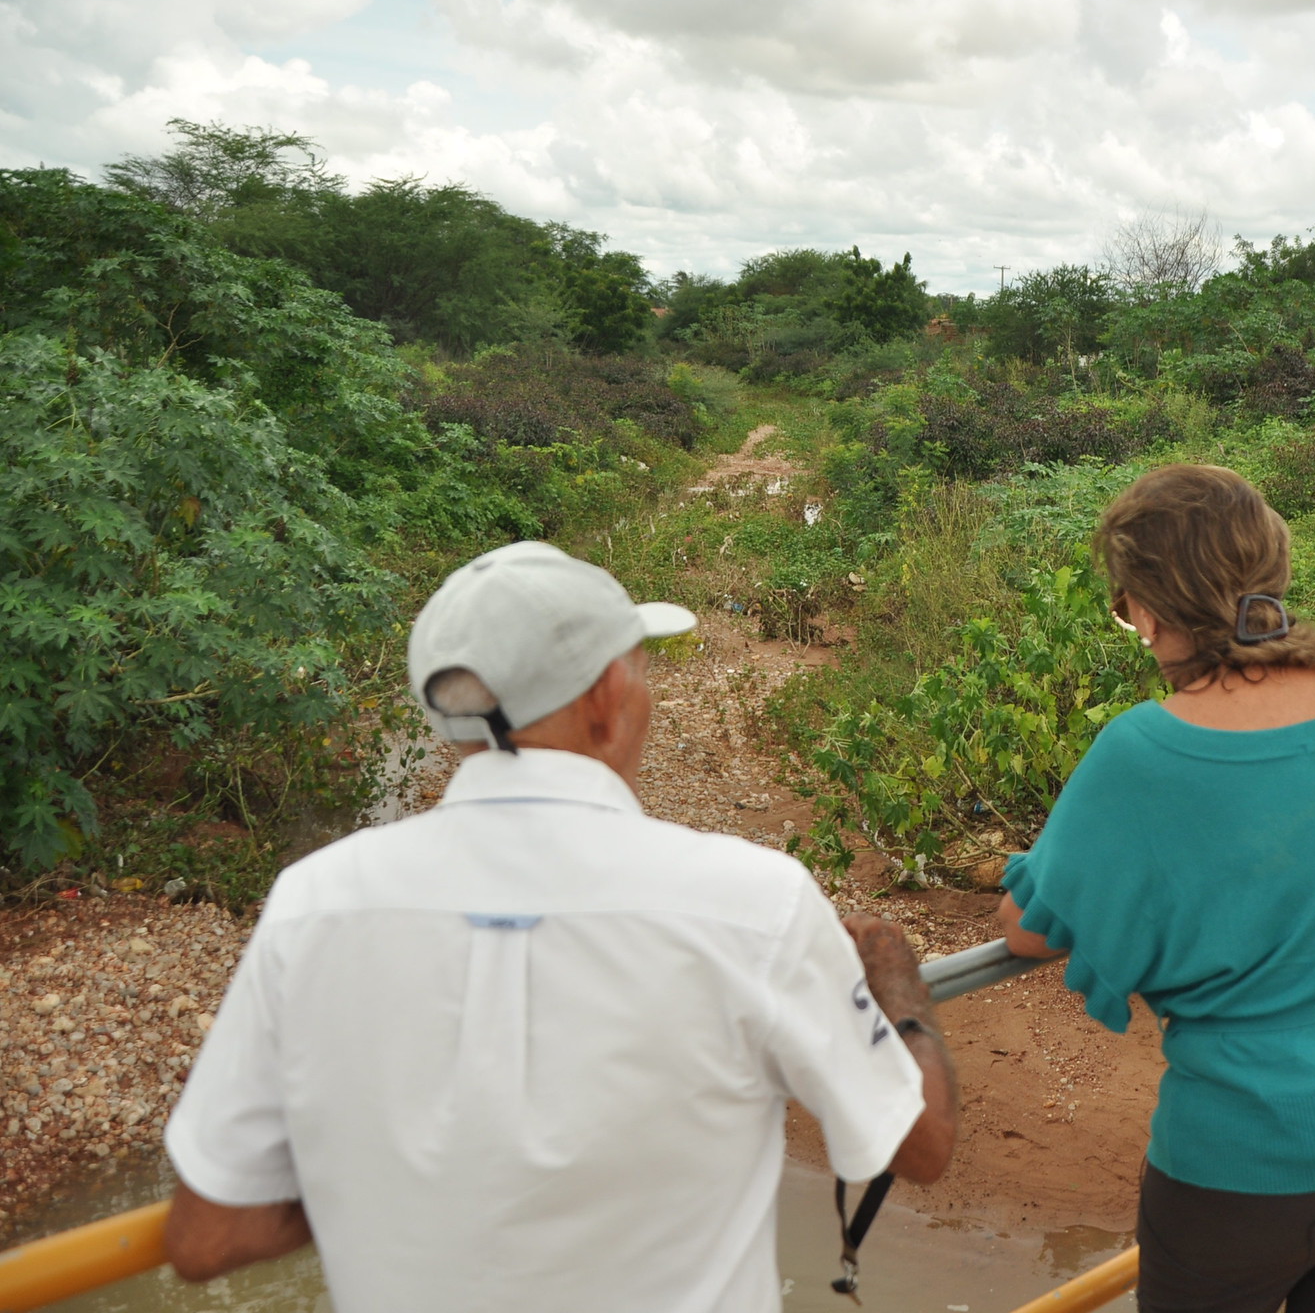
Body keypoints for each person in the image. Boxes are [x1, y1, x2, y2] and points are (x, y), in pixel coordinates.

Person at [160, 540, 958, 1312]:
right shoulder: (756, 903)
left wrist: (403, 1182)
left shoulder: (312, 902)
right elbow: (918, 1144)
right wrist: (897, 986)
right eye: (643, 675)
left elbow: (207, 1238)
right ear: (607, 701)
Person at [999, 465, 1315, 1313]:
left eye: (1124, 607)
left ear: (1150, 610)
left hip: (1249, 1163)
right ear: (1268, 579)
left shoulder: (1142, 751)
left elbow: (1028, 927)